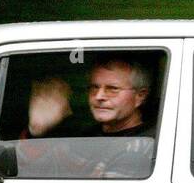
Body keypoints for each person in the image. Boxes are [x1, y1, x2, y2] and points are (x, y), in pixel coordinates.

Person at [24, 57, 155, 139]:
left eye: (112, 89)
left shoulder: (152, 143)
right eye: (94, 87)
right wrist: (36, 129)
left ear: (140, 96)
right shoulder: (84, 138)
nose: (99, 96)